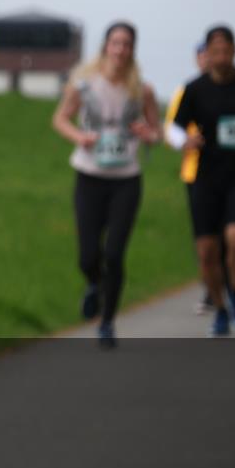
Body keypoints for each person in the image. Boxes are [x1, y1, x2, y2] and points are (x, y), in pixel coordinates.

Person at [52, 22, 161, 349]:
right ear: (105, 46)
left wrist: (148, 135)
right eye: (115, 43)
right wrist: (79, 136)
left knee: (114, 253)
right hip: (89, 175)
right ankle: (93, 284)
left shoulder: (143, 90)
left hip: (126, 179)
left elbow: (157, 132)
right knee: (88, 256)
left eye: (127, 44)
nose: (121, 49)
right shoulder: (84, 84)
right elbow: (59, 119)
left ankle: (108, 321)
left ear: (133, 50)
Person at [168, 25, 235, 335]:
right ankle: (219, 307)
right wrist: (183, 142)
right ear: (206, 54)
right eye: (214, 51)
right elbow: (175, 128)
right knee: (207, 251)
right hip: (206, 177)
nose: (220, 57)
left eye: (225, 51)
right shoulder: (195, 88)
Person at [164, 43, 230, 315]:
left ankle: (223, 287)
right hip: (195, 171)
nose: (207, 60)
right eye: (202, 56)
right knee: (205, 237)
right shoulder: (187, 91)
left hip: (230, 171)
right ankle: (210, 289)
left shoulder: (231, 88)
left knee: (227, 234)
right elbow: (170, 129)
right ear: (197, 59)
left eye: (211, 55)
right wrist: (184, 141)